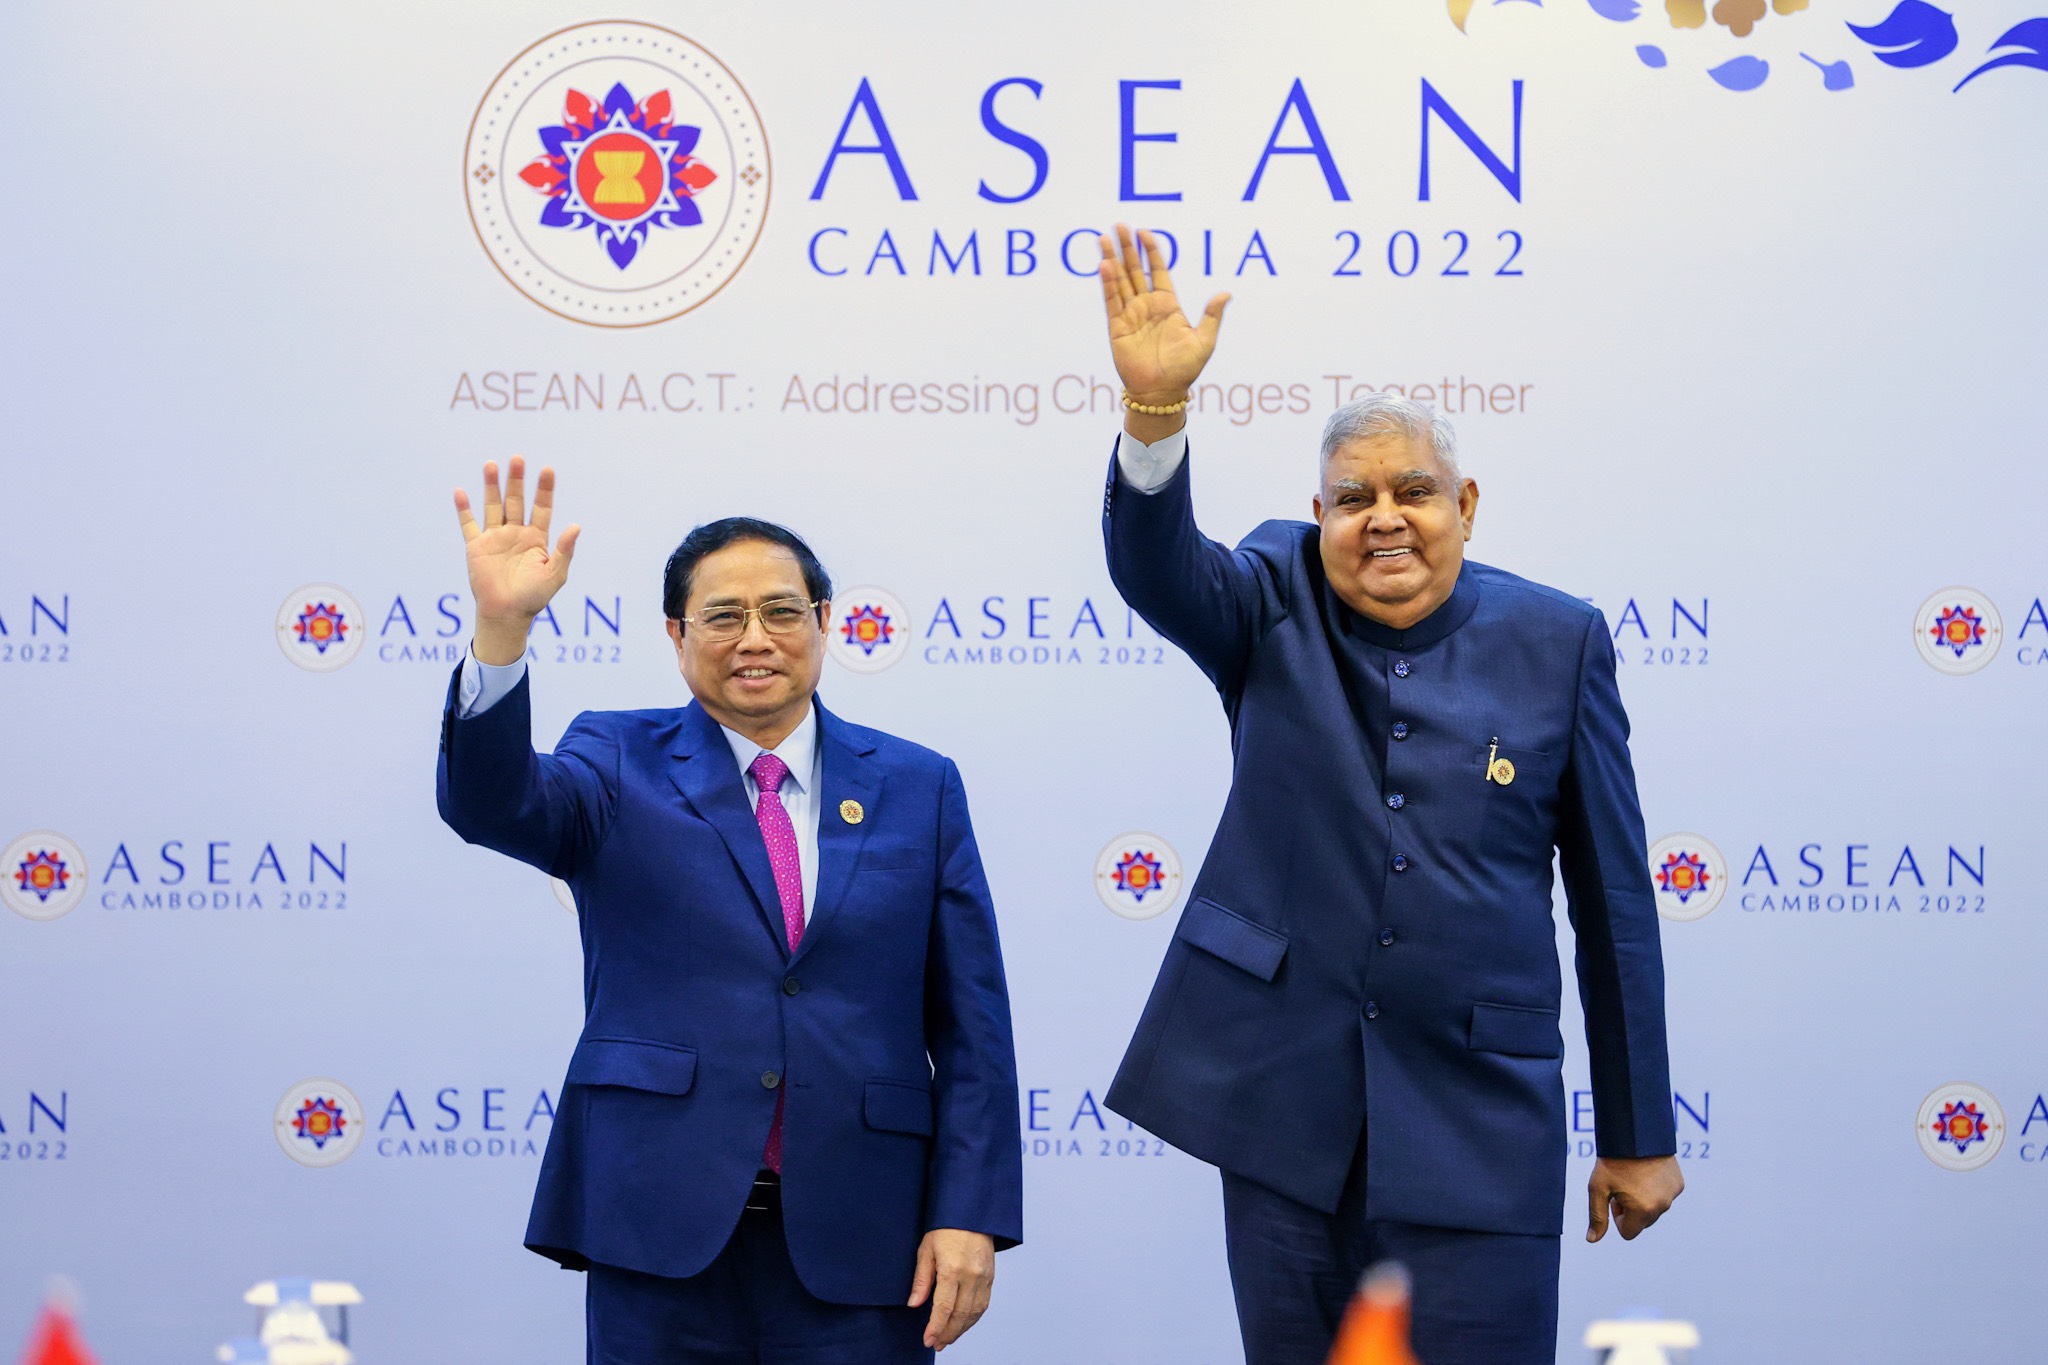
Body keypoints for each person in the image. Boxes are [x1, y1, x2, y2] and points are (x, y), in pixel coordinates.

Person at [1091, 225, 1682, 1365]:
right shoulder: (1266, 592)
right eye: (1350, 497)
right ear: (1316, 517)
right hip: (1278, 1109)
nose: (1383, 518)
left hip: (1476, 1114)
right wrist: (1154, 417)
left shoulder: (1558, 640)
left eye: (1413, 490)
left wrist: (1636, 1130)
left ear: (1465, 501)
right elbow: (1156, 570)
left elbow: (1613, 907)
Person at [435, 459, 1022, 1363]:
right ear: (677, 636)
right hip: (659, 1230)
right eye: (722, 615)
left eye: (783, 611)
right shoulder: (617, 756)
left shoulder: (919, 785)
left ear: (824, 625)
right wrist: (501, 632)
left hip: (867, 1238)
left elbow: (973, 1025)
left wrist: (970, 1213)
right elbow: (491, 805)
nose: (757, 636)